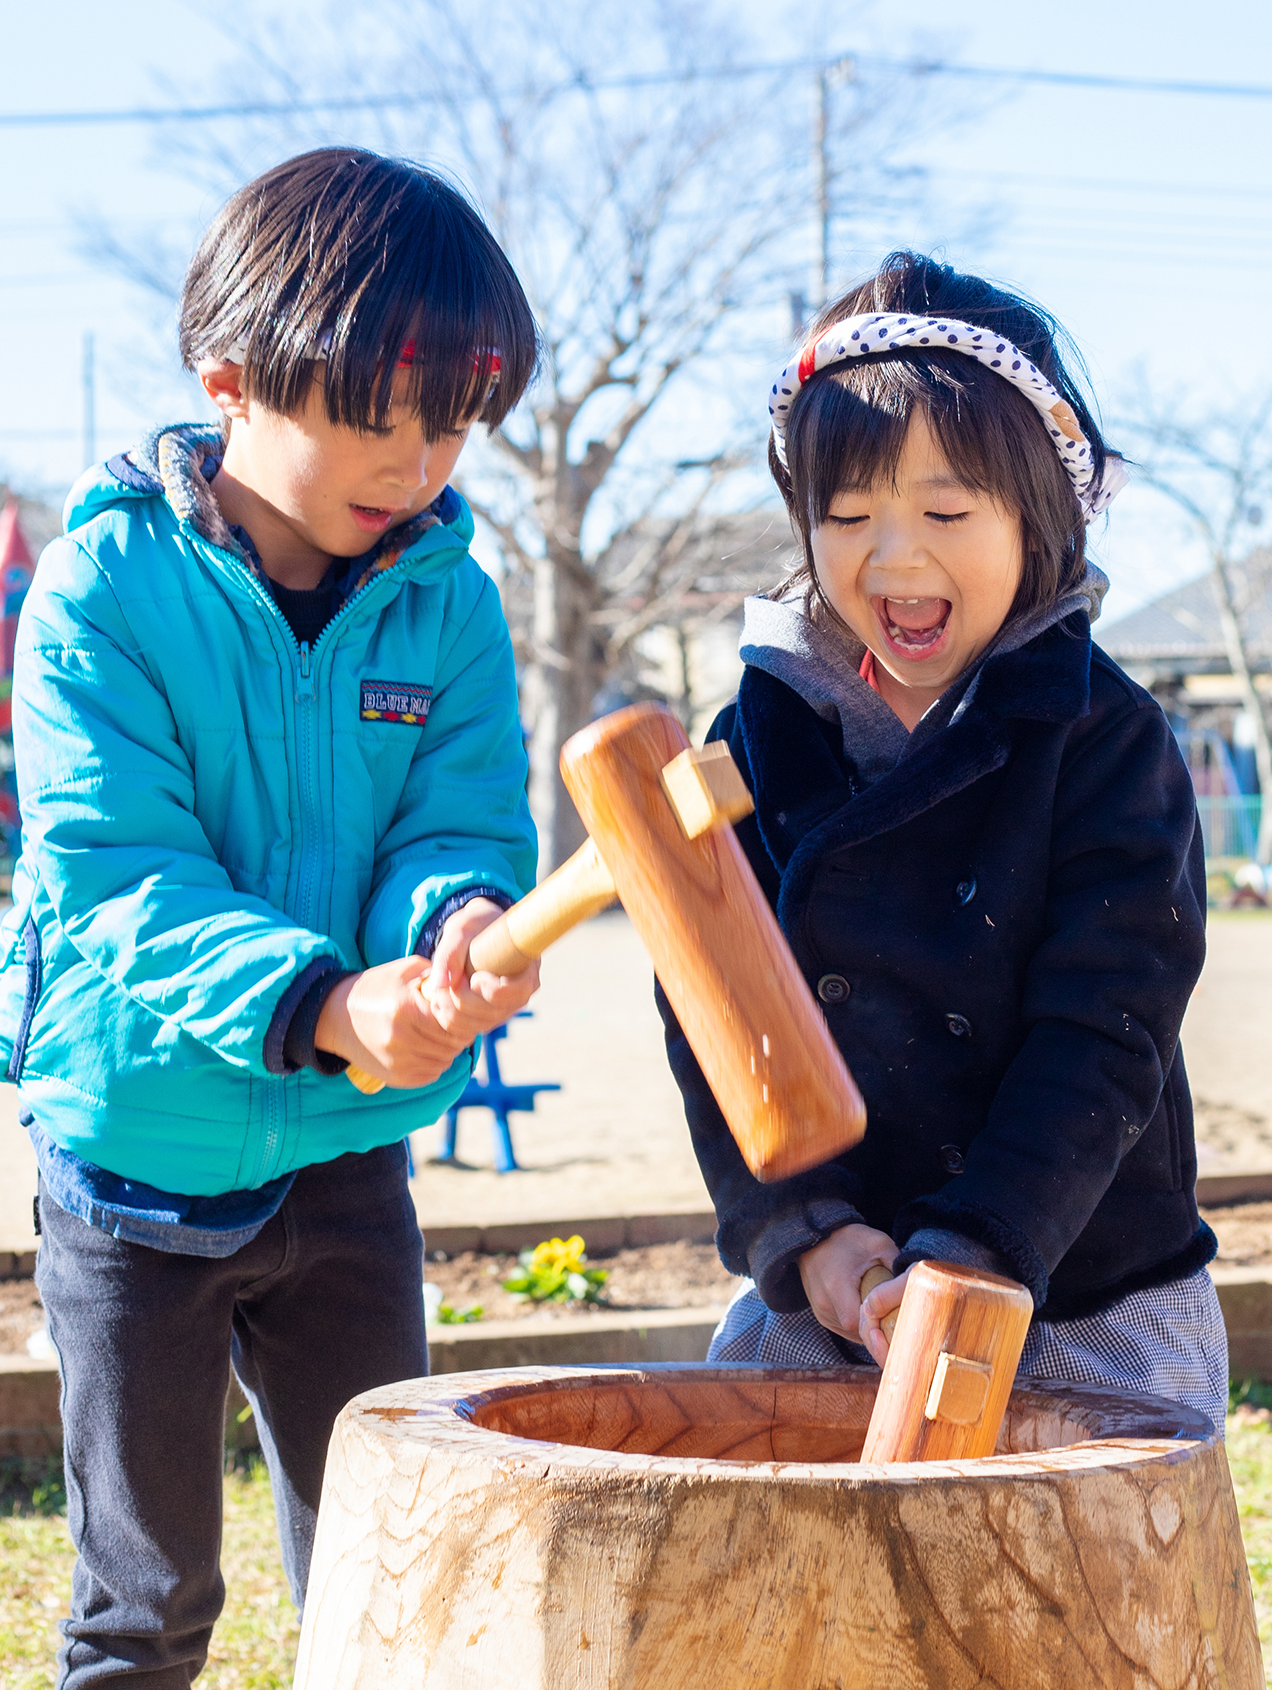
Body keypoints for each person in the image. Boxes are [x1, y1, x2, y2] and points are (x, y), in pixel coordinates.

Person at [0, 147, 540, 1686]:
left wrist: (450, 929)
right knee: (146, 1599)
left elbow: (459, 821)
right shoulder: (103, 590)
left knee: (385, 1568)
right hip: (130, 1166)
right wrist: (321, 1004)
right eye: (378, 415)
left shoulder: (449, 600)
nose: (422, 462)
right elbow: (116, 873)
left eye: (452, 420)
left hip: (347, 1161)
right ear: (231, 379)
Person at [661, 251, 1226, 1433]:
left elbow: (1107, 1027)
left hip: (1075, 1282)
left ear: (1041, 514)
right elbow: (715, 1014)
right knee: (783, 1592)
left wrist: (981, 1243)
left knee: (1088, 1600)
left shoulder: (1104, 738)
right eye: (849, 514)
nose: (896, 559)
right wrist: (805, 1235)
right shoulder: (757, 738)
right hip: (840, 1288)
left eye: (948, 512)